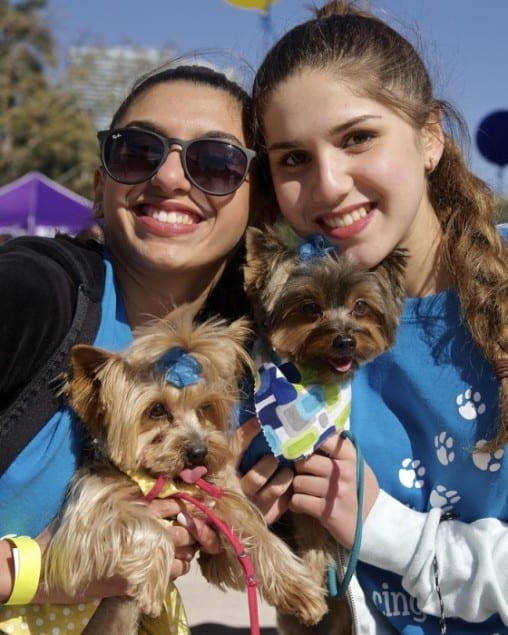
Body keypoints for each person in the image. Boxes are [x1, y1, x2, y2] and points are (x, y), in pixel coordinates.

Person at [239, 1, 508, 633]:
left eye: (357, 137)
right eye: (293, 159)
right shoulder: (284, 333)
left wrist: (381, 525)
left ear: (430, 137)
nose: (329, 184)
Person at [0, 62, 258, 633]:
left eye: (215, 163)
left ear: (253, 203)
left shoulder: (244, 352)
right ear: (100, 188)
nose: (169, 178)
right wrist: (32, 571)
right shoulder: (34, 295)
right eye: (138, 152)